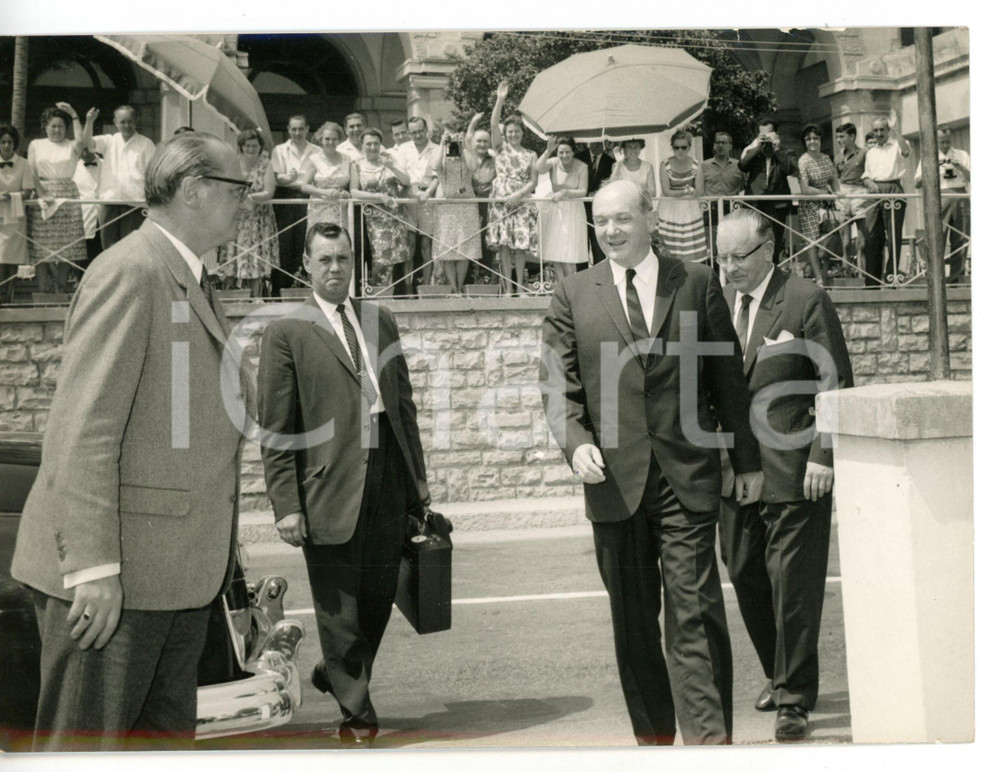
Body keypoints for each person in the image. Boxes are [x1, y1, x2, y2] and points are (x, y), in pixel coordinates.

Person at [10, 132, 251, 751]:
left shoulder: (187, 278)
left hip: (172, 578)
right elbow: (83, 429)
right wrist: (92, 567)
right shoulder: (131, 272)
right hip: (115, 585)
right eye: (238, 187)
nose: (248, 201)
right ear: (195, 189)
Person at [539, 179, 764, 746]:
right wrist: (576, 442)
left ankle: (711, 747)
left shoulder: (694, 281)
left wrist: (745, 459)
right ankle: (655, 744)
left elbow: (727, 378)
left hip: (686, 479)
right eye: (601, 221)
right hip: (613, 482)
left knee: (694, 617)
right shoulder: (572, 294)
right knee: (634, 625)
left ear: (651, 217)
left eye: (622, 218)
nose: (611, 231)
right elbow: (557, 385)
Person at [257, 221, 431, 748]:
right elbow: (276, 427)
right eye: (325, 259)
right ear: (306, 264)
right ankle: (358, 715)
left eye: (344, 259)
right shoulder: (286, 333)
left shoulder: (381, 320)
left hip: (387, 473)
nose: (336, 269)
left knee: (379, 597)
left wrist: (418, 484)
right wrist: (286, 503)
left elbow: (402, 407)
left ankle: (338, 675)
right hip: (326, 485)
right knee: (339, 607)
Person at [715, 207, 853, 743]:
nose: (729, 269)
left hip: (797, 469)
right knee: (744, 566)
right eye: (721, 258)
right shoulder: (719, 303)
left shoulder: (805, 300)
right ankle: (780, 670)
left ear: (768, 249)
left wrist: (824, 453)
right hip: (738, 473)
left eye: (738, 258)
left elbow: (835, 380)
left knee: (793, 584)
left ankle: (793, 696)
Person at [26, 103, 98, 294]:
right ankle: (42, 290)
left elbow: (82, 142)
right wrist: (42, 194)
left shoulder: (71, 145)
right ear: (45, 127)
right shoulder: (36, 144)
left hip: (67, 194)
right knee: (42, 247)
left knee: (68, 247)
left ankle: (61, 288)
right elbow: (31, 171)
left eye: (61, 126)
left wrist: (74, 115)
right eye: (53, 126)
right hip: (44, 194)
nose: (57, 130)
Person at [486, 80, 538, 295]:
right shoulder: (500, 149)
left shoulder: (531, 154)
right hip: (500, 201)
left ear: (522, 133)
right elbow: (492, 124)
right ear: (505, 134)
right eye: (509, 132)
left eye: (516, 132)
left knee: (520, 246)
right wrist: (500, 99)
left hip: (521, 201)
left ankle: (520, 286)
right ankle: (508, 288)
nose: (513, 135)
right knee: (505, 246)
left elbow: (533, 181)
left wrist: (518, 195)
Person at [349, 127, 411, 291]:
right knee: (379, 259)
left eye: (376, 143)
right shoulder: (356, 164)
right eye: (368, 144)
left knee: (397, 259)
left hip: (395, 218)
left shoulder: (389, 160)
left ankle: (396, 299)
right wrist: (378, 197)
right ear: (362, 144)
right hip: (372, 219)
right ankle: (377, 296)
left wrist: (392, 166)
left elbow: (406, 181)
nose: (372, 147)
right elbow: (353, 192)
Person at [90, 105, 155, 249]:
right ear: (115, 122)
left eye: (130, 121)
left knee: (132, 248)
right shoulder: (109, 141)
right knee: (109, 248)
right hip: (109, 202)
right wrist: (89, 121)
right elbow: (87, 144)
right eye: (122, 122)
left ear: (136, 121)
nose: (126, 125)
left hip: (135, 204)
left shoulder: (146, 144)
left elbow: (153, 174)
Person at [271, 114, 322, 295]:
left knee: (306, 242)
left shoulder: (317, 151)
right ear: (288, 130)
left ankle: (304, 289)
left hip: (310, 199)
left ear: (307, 129)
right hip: (286, 199)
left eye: (301, 128)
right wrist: (287, 179)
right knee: (285, 244)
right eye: (294, 129)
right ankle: (280, 291)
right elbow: (277, 178)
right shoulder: (279, 150)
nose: (297, 132)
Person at [224, 128, 278, 298]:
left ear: (260, 147)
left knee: (255, 256)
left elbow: (269, 192)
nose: (251, 149)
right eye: (247, 145)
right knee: (234, 255)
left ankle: (256, 296)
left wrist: (248, 197)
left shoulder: (266, 165)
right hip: (237, 217)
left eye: (254, 146)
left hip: (258, 218)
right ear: (241, 146)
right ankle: (232, 295)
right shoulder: (233, 163)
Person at [861, 111, 911, 286]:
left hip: (893, 188)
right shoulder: (871, 152)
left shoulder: (896, 145)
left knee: (893, 236)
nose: (879, 134)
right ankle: (872, 281)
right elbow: (866, 174)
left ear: (887, 130)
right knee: (872, 236)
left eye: (882, 130)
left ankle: (892, 277)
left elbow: (906, 152)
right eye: (876, 130)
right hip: (875, 192)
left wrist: (896, 130)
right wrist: (868, 182)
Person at [429, 128, 482, 293]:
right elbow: (434, 166)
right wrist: (442, 143)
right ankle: (453, 288)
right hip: (446, 204)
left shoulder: (467, 153)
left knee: (463, 248)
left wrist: (463, 145)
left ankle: (459, 287)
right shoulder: (440, 153)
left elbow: (473, 167)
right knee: (447, 247)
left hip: (465, 205)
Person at [739, 116, 798, 265]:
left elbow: (791, 169)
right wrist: (759, 146)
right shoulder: (753, 152)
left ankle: (773, 277)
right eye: (762, 134)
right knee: (753, 242)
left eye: (768, 134)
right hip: (755, 204)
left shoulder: (786, 152)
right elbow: (742, 165)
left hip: (777, 206)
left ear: (776, 134)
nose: (766, 138)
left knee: (774, 243)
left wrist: (777, 150)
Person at [915, 126, 971, 281]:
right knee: (937, 237)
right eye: (942, 142)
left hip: (960, 194)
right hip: (939, 195)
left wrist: (959, 165)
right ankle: (936, 279)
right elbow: (917, 182)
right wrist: (933, 168)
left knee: (961, 237)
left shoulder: (961, 154)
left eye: (947, 142)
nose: (945, 145)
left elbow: (972, 177)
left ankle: (956, 278)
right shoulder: (928, 156)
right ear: (935, 140)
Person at [535, 135, 589, 284]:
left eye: (567, 152)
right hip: (555, 210)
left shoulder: (582, 166)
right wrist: (547, 151)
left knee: (569, 255)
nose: (564, 156)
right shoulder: (553, 162)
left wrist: (565, 192)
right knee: (555, 253)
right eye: (560, 152)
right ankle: (561, 288)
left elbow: (583, 191)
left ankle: (572, 289)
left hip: (572, 210)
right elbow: (538, 168)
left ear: (573, 152)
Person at [398, 116, 440, 286]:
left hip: (427, 199)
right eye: (413, 132)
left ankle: (427, 287)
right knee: (409, 246)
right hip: (408, 200)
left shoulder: (436, 149)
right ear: (409, 133)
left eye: (420, 131)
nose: (418, 135)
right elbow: (400, 175)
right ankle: (408, 289)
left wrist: (428, 192)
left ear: (426, 129)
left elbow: (439, 176)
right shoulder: (403, 149)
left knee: (426, 246)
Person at [796, 124, 840, 288]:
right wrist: (823, 192)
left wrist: (837, 192)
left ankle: (826, 273)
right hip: (810, 206)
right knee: (812, 241)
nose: (812, 142)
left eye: (815, 138)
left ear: (821, 140)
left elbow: (834, 179)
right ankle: (818, 278)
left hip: (827, 205)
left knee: (828, 240)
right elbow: (805, 189)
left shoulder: (826, 158)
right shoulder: (803, 161)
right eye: (808, 139)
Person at [656, 129, 708, 263]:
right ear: (672, 147)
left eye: (683, 147)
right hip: (669, 209)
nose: (680, 150)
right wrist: (686, 192)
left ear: (689, 147)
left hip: (689, 210)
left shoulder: (696, 165)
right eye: (676, 147)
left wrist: (688, 193)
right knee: (668, 249)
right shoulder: (665, 164)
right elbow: (667, 191)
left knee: (689, 249)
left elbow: (700, 191)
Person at [0, 124, 33, 304]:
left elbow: (28, 191)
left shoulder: (23, 164)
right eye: (3, 142)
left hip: (15, 215)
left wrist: (11, 196)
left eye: (9, 142)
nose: (6, 146)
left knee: (11, 256)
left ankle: (8, 296)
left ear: (15, 144)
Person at [698, 131, 744, 256]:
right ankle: (714, 273)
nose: (720, 146)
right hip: (711, 209)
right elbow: (699, 189)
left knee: (732, 245)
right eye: (717, 143)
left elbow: (744, 188)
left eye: (723, 143)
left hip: (731, 209)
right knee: (712, 247)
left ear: (730, 146)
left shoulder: (739, 165)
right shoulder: (704, 165)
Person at [300, 122, 352, 232]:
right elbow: (304, 186)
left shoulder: (347, 159)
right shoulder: (314, 159)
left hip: (341, 209)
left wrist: (346, 193)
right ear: (321, 140)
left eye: (334, 139)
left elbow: (351, 186)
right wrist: (324, 192)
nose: (331, 142)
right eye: (327, 139)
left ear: (339, 140)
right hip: (320, 208)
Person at [465, 112, 497, 281]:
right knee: (468, 242)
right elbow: (467, 138)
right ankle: (468, 280)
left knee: (487, 245)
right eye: (479, 141)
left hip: (487, 207)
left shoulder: (494, 160)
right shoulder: (465, 158)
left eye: (485, 141)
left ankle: (487, 280)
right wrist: (473, 122)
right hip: (467, 207)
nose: (482, 144)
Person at [833, 123, 868, 269]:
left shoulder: (864, 153)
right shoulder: (838, 157)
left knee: (862, 241)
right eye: (837, 137)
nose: (839, 140)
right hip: (843, 192)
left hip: (859, 191)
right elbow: (835, 178)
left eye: (842, 136)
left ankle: (864, 275)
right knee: (845, 241)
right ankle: (847, 273)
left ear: (852, 136)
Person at [584, 139, 617, 263]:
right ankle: (581, 277)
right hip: (581, 207)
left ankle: (599, 276)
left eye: (598, 142)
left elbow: (611, 182)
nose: (594, 144)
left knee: (598, 243)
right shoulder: (579, 157)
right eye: (592, 141)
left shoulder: (610, 162)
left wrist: (599, 192)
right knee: (581, 244)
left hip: (600, 207)